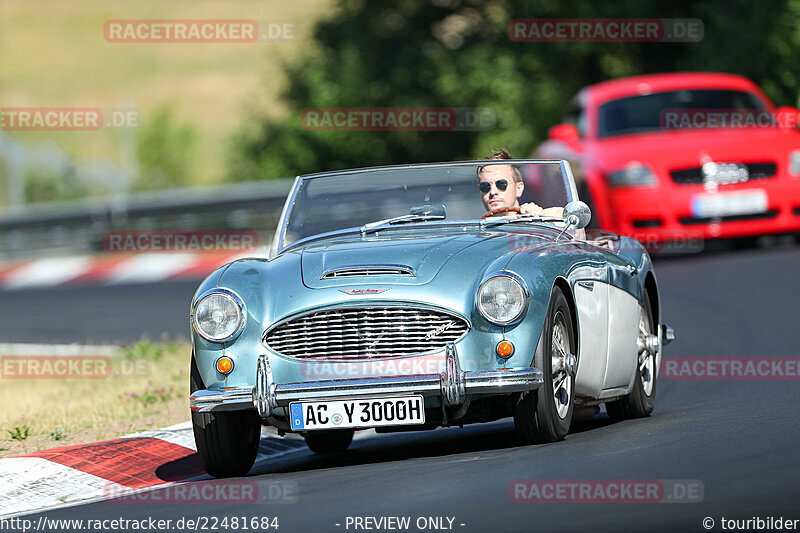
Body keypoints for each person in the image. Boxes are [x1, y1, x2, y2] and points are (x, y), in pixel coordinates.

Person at [477, 147, 564, 218]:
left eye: (501, 184)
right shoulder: (474, 232)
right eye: (485, 186)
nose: (492, 192)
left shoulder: (544, 216)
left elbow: (568, 219)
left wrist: (540, 218)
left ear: (518, 188)